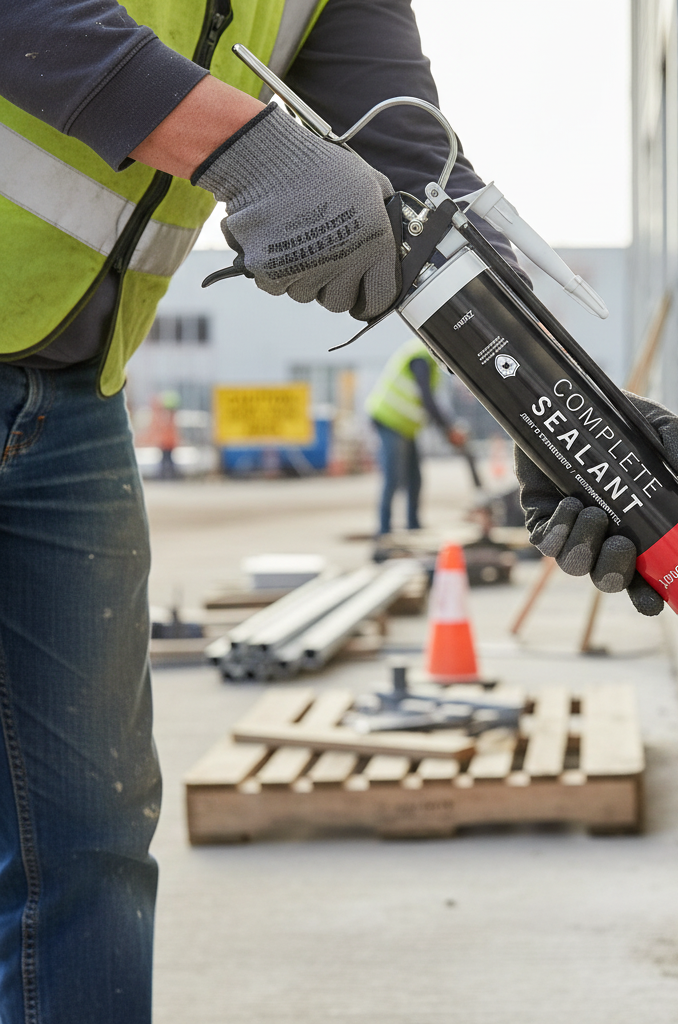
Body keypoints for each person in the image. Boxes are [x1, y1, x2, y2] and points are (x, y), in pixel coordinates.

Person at [0, 3, 521, 1021]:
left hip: (70, 400)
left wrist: (558, 412)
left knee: (88, 839)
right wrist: (246, 147)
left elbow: (418, 184)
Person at [365, 337, 467, 536]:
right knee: (393, 477)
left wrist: (447, 428)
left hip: (406, 426)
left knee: (415, 478)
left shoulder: (430, 361)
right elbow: (427, 399)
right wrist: (448, 429)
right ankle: (384, 530)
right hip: (390, 419)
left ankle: (413, 525)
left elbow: (428, 402)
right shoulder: (421, 357)